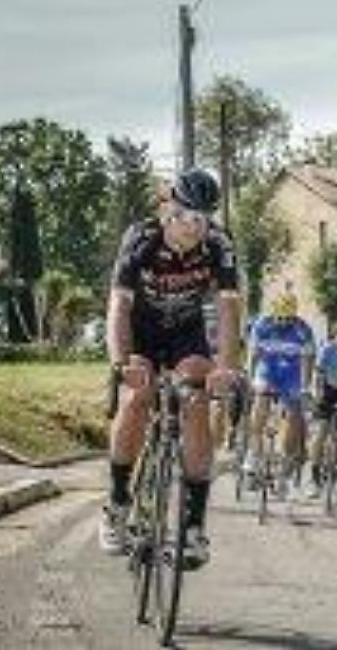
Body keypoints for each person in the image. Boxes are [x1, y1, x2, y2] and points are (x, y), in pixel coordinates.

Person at [100, 168, 241, 569]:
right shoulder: (141, 238)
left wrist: (227, 368)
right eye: (187, 217)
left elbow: (230, 307)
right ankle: (118, 501)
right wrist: (119, 362)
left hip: (186, 333)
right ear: (169, 209)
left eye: (203, 218)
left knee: (197, 400)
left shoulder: (219, 243)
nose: (195, 227)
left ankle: (194, 528)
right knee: (138, 396)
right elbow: (119, 306)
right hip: (140, 331)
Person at [243, 289, 316, 498]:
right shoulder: (263, 324)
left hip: (291, 373)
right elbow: (253, 354)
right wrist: (249, 376)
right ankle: (253, 454)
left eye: (288, 318)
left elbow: (308, 360)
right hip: (268, 368)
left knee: (294, 414)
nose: (283, 322)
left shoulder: (303, 329)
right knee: (261, 400)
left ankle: (284, 463)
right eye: (280, 318)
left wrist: (305, 386)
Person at [305, 319, 337, 499]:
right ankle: (314, 475)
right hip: (328, 390)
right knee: (321, 433)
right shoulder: (328, 349)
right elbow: (318, 373)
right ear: (335, 335)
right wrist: (316, 394)